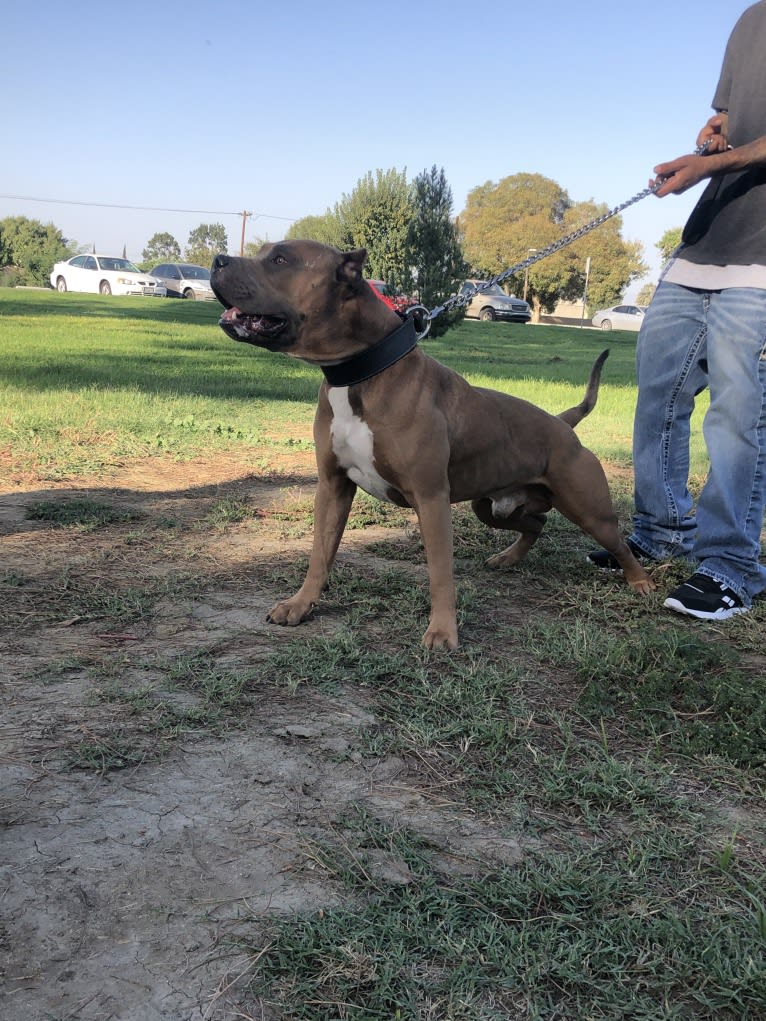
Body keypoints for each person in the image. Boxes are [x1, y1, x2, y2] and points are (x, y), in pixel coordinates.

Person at [589, 1, 766, 620]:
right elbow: (729, 115)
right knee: (659, 392)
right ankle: (662, 530)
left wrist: (711, 164)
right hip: (706, 242)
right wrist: (716, 131)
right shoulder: (750, 20)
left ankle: (730, 565)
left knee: (740, 415)